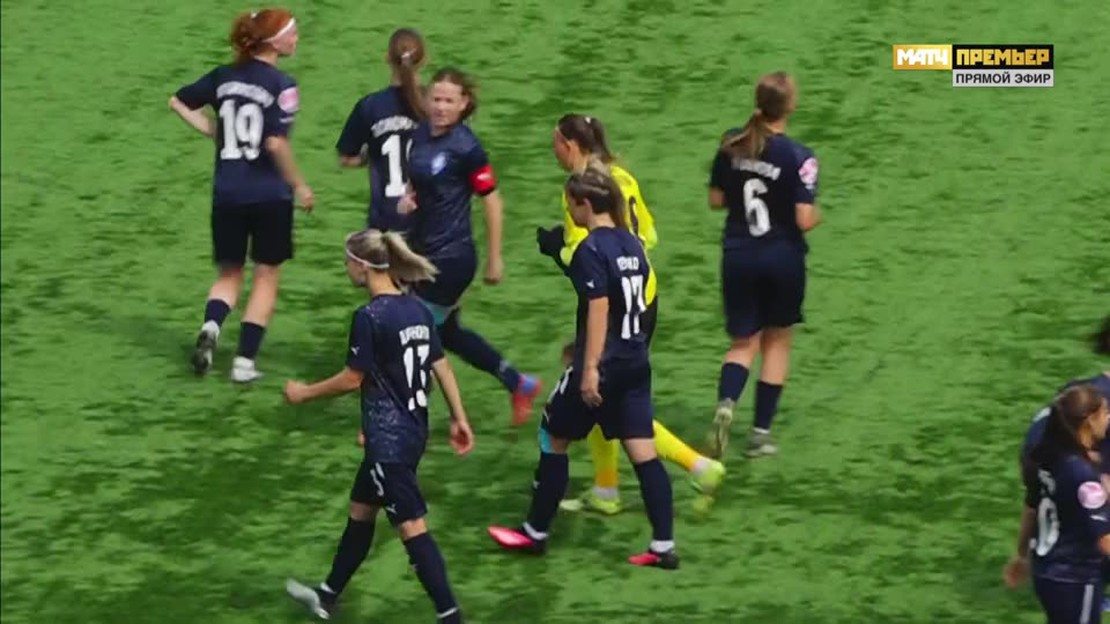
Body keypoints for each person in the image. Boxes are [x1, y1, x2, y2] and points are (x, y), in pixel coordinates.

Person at [488, 168, 678, 569]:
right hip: (635, 359)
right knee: (643, 452)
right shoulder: (633, 243)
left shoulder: (591, 248)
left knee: (552, 436)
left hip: (603, 363)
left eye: (572, 204)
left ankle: (535, 532)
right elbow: (638, 304)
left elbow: (599, 307)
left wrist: (588, 365)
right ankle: (663, 546)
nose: (570, 212)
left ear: (586, 205)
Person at [536, 114, 724, 515]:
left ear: (570, 145)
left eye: (555, 143)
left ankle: (698, 467)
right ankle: (606, 489)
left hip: (611, 304)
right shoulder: (622, 178)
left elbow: (583, 259)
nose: (552, 151)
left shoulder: (579, 191)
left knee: (607, 397)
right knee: (604, 396)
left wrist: (556, 248)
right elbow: (648, 236)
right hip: (644, 295)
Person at [283, 229, 472, 623]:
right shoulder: (417, 309)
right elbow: (440, 366)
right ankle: (327, 595)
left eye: (347, 261)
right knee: (361, 511)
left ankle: (451, 616)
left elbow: (353, 378)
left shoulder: (369, 317)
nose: (345, 268)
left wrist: (304, 393)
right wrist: (459, 416)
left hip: (389, 442)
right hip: (410, 432)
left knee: (412, 528)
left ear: (363, 266)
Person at [169, 9, 314, 383]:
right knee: (266, 275)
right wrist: (299, 185)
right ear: (274, 42)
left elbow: (178, 102)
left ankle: (211, 330)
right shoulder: (284, 85)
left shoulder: (223, 76)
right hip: (269, 195)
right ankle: (244, 363)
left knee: (229, 273)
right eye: (292, 33)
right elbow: (276, 143)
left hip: (228, 193)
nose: (297, 38)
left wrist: (217, 134)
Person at [399, 67, 540, 425]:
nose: (441, 107)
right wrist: (408, 198)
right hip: (420, 250)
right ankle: (518, 383)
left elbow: (492, 200)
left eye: (449, 101)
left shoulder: (467, 147)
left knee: (412, 333)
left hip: (451, 257)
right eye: (436, 99)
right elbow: (420, 182)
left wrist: (495, 258)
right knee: (448, 334)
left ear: (463, 104)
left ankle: (405, 416)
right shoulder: (420, 133)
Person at [704, 71, 822, 458]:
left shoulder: (732, 143)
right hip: (782, 257)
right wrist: (816, 216)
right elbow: (804, 219)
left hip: (738, 255)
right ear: (791, 106)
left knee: (743, 343)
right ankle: (759, 434)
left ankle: (726, 404)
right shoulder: (800, 156)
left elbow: (716, 200)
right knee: (777, 342)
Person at [1004, 316, 1110, 614]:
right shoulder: (1083, 474)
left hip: (1047, 564)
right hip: (1077, 571)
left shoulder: (1074, 400)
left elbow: (1033, 488)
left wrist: (1021, 554)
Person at [336, 28, 426, 232]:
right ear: (423, 60)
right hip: (427, 222)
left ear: (387, 58)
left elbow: (345, 158)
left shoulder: (369, 106)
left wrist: (368, 156)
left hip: (384, 220)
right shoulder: (436, 104)